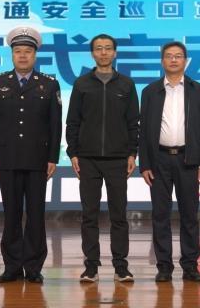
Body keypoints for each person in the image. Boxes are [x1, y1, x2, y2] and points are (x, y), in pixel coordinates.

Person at [0, 26, 62, 284]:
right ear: (12, 54)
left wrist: (52, 158)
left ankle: (33, 266)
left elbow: (55, 125)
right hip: (7, 158)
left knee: (36, 214)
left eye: (27, 51)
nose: (22, 56)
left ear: (35, 55)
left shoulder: (49, 84)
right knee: (11, 214)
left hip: (38, 159)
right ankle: (12, 266)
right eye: (18, 51)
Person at [65, 34, 139, 283]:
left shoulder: (126, 84)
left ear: (115, 53)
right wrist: (73, 153)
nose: (104, 52)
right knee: (90, 214)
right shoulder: (82, 84)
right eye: (99, 48)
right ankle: (91, 267)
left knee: (119, 215)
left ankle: (121, 266)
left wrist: (132, 153)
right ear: (92, 53)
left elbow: (133, 123)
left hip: (118, 159)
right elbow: (73, 121)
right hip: (88, 159)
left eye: (108, 48)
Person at [138, 41, 200, 283]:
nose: (173, 60)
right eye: (169, 56)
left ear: (185, 61)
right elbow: (143, 132)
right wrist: (145, 164)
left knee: (190, 215)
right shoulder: (150, 91)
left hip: (188, 159)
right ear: (162, 61)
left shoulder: (196, 89)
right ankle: (164, 266)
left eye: (178, 56)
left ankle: (190, 265)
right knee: (160, 215)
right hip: (159, 160)